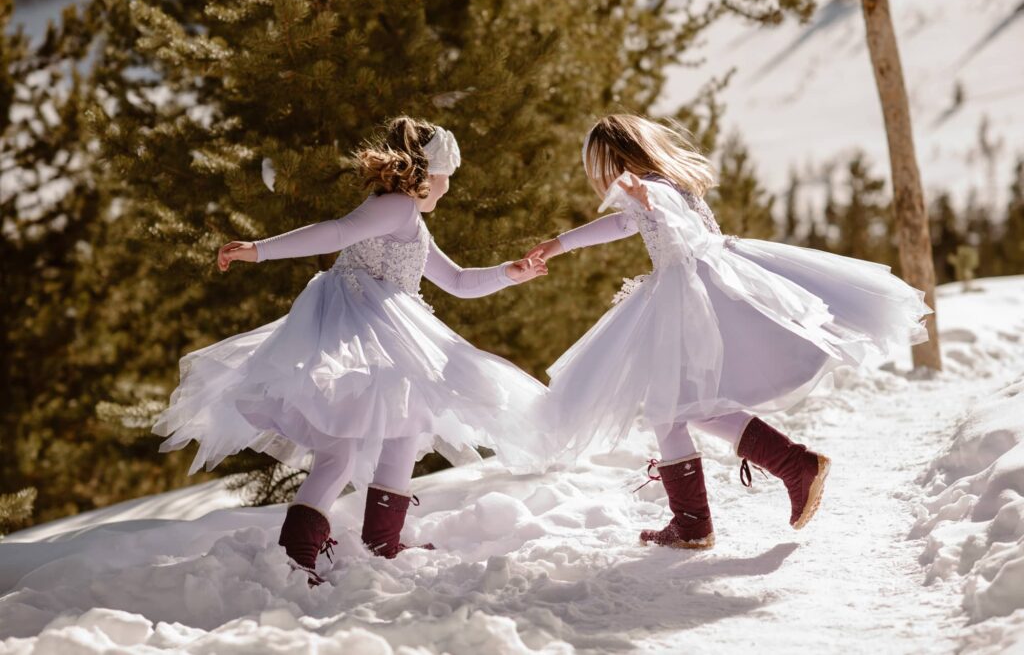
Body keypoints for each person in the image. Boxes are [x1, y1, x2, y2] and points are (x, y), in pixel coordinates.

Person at [154, 116, 549, 584]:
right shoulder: (396, 207)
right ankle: (297, 557)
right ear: (429, 173)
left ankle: (383, 540)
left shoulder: (410, 220)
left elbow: (458, 281)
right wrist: (257, 250)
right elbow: (336, 233)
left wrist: (511, 272)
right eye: (447, 177)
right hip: (361, 331)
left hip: (386, 330)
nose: (448, 187)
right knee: (341, 450)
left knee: (406, 424)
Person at [527, 114, 930, 550]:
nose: (602, 180)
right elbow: (625, 224)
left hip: (692, 299)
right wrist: (559, 243)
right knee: (686, 408)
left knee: (672, 410)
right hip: (693, 293)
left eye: (603, 167)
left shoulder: (656, 189)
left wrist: (647, 197)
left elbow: (666, 214)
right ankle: (783, 471)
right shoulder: (659, 187)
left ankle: (711, 513)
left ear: (621, 160)